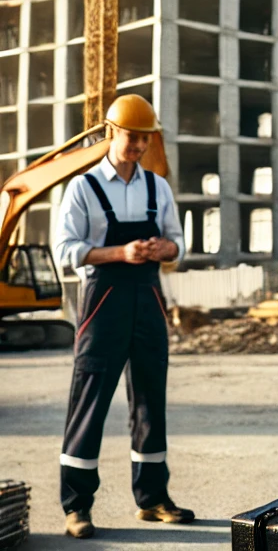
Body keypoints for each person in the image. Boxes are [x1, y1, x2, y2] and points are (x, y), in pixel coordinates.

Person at [54, 95, 192, 539]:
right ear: (111, 132)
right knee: (89, 403)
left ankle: (152, 498)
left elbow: (177, 243)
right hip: (103, 301)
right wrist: (121, 252)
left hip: (149, 299)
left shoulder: (158, 187)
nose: (137, 146)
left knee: (151, 400)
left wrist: (162, 250)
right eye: (132, 137)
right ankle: (77, 507)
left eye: (144, 139)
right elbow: (65, 250)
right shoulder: (83, 187)